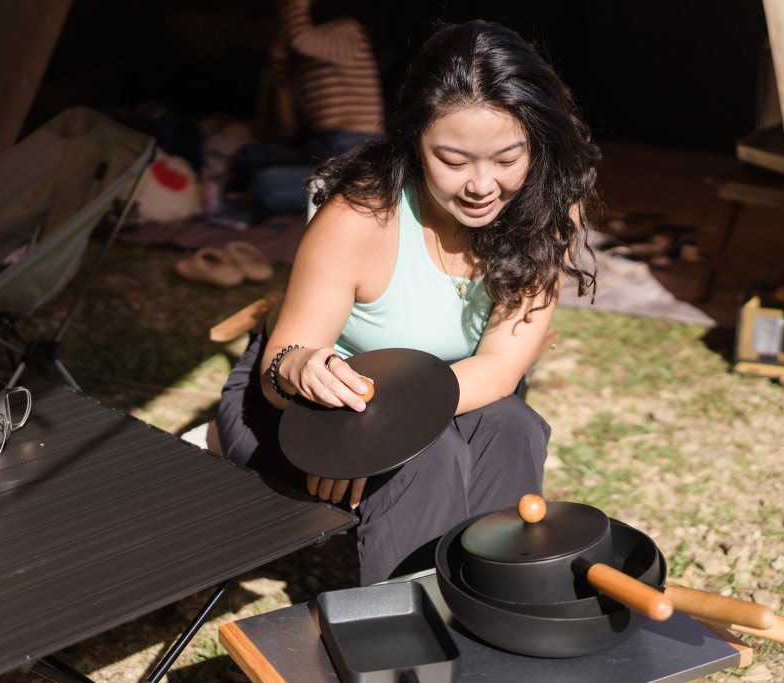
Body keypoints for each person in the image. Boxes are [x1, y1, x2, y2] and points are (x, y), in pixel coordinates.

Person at [216, 19, 601, 585]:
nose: (480, 185)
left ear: (536, 144)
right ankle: (411, 644)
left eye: (506, 159)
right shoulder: (360, 217)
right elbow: (279, 374)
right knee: (430, 456)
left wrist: (386, 435)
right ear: (414, 139)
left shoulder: (547, 210)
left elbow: (498, 368)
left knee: (514, 426)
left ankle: (503, 597)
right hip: (298, 418)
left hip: (434, 400)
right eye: (453, 159)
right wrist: (314, 385)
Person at [226, 0, 385, 220]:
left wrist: (295, 6)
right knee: (250, 154)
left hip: (357, 145)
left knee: (266, 184)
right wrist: (278, 54)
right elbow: (285, 109)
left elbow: (303, 40)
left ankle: (351, 190)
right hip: (321, 148)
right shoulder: (306, 57)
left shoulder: (347, 30)